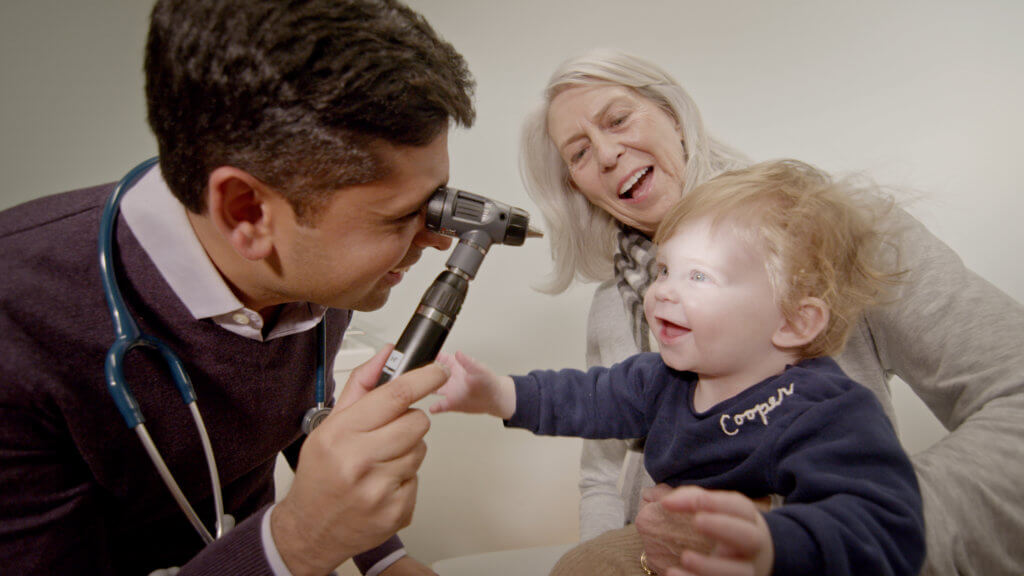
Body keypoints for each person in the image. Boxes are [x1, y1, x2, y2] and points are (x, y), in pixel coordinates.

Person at [0, 1, 475, 574]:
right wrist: (296, 541)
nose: (436, 240)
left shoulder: (313, 272)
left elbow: (305, 419)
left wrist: (385, 560)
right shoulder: (17, 328)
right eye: (400, 217)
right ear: (247, 210)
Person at [519, 49, 1024, 575]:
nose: (604, 154)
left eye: (618, 119)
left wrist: (793, 533)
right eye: (577, 154)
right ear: (577, 188)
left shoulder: (835, 229)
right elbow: (602, 474)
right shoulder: (610, 308)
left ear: (674, 115)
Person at [430, 159, 925, 576]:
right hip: (666, 550)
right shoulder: (661, 379)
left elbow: (886, 526)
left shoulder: (827, 409)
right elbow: (584, 398)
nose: (663, 290)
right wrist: (495, 392)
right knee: (581, 567)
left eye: (699, 276)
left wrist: (773, 544)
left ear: (795, 321)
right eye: (664, 270)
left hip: (775, 559)